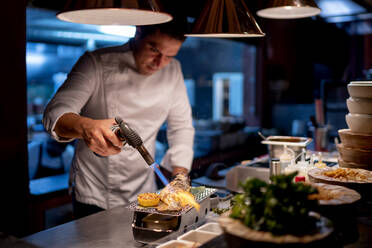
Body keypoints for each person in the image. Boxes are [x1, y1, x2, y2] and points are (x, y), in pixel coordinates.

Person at [43, 21, 195, 218]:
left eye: (169, 56)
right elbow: (55, 113)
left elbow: (181, 127)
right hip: (95, 190)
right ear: (138, 31)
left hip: (143, 187)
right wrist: (87, 126)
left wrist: (180, 177)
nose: (159, 63)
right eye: (154, 49)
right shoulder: (97, 62)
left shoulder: (173, 70)